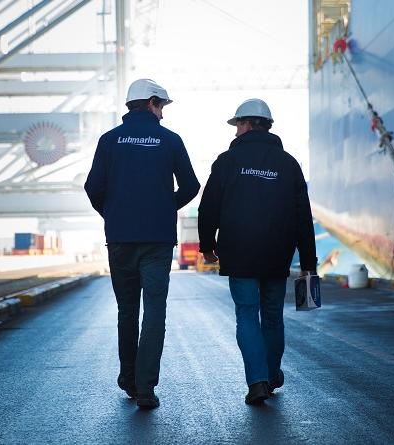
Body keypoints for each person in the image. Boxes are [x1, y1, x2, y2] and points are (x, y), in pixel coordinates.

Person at [84, 79, 200, 409]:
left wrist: (113, 212)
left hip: (120, 237)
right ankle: (146, 388)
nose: (163, 113)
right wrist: (165, 207)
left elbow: (93, 187)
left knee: (127, 310)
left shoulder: (109, 141)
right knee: (155, 311)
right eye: (161, 105)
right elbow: (191, 185)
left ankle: (129, 378)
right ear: (150, 103)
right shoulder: (170, 140)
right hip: (158, 239)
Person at [198, 98, 317, 405]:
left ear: (248, 124)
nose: (236, 131)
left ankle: (258, 381)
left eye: (237, 124)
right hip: (277, 253)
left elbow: (209, 205)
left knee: (247, 316)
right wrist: (307, 262)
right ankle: (272, 373)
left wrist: (207, 245)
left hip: (238, 252)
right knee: (273, 317)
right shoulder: (288, 164)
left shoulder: (226, 162)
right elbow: (303, 216)